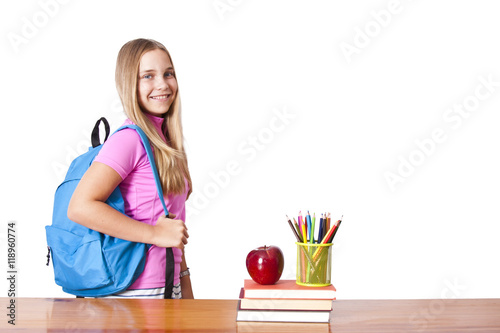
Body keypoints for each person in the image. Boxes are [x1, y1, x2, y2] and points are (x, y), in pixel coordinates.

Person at [68, 38, 193, 299]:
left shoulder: (168, 144)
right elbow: (80, 207)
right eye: (148, 76)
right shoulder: (129, 140)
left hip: (169, 288)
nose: (162, 84)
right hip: (135, 293)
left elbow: (173, 234)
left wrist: (187, 293)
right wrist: (155, 234)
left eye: (168, 73)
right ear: (129, 84)